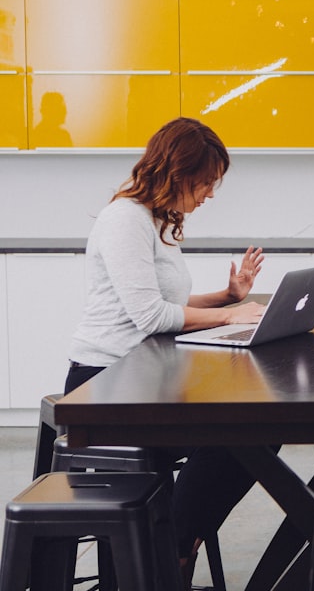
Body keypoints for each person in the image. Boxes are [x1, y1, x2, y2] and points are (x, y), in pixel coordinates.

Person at [65, 116, 268, 588]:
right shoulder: (125, 220)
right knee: (246, 436)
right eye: (206, 182)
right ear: (177, 172)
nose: (211, 194)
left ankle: (173, 543)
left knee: (254, 431)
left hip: (146, 378)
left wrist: (228, 297)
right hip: (105, 384)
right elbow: (150, 317)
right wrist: (229, 318)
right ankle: (169, 550)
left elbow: (166, 303)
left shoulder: (158, 222)